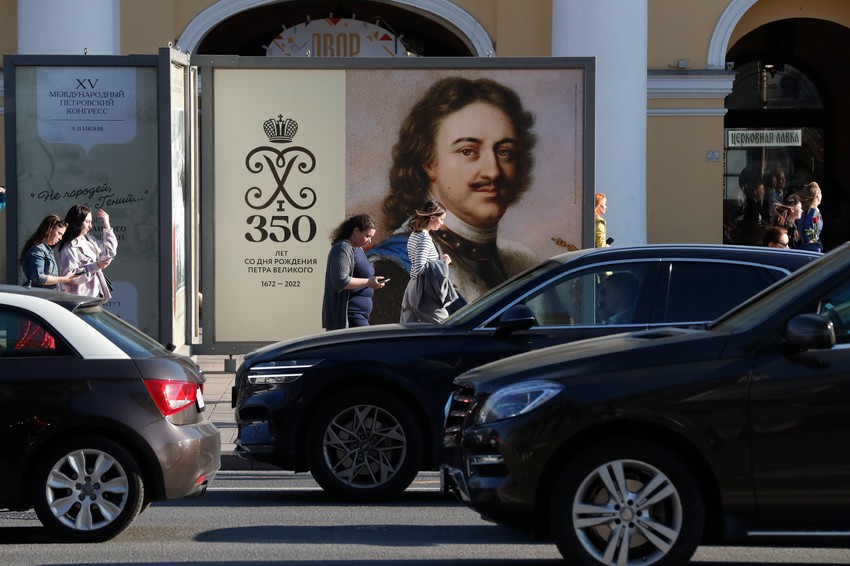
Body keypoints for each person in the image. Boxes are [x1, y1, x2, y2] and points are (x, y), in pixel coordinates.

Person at [367, 76, 538, 323]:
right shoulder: (390, 268)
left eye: (504, 152)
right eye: (468, 151)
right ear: (428, 161)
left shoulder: (520, 261)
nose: (493, 171)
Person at [321, 214, 386, 331]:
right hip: (350, 316)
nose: (369, 240)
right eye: (367, 236)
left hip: (361, 315)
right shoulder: (342, 248)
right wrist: (368, 282)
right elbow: (341, 280)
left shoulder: (358, 249)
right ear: (356, 231)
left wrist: (373, 282)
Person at [400, 200, 458, 323]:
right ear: (432, 217)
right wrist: (443, 263)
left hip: (413, 287)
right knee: (445, 326)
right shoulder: (424, 239)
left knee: (409, 331)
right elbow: (419, 268)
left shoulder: (415, 234)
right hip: (422, 291)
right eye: (441, 219)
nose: (442, 223)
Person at [58, 205, 118, 299]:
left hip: (93, 297)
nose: (90, 226)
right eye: (87, 222)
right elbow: (70, 276)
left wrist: (107, 225)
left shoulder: (88, 239)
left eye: (91, 222)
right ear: (77, 222)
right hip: (76, 300)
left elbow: (108, 253)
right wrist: (97, 265)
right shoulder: (69, 247)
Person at [19, 214, 81, 288]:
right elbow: (38, 278)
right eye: (59, 233)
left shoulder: (47, 250)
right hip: (38, 296)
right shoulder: (38, 250)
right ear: (50, 229)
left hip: (46, 294)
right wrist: (64, 279)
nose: (60, 238)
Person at [796, 181, 823, 252]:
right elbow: (811, 234)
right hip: (812, 248)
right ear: (817, 195)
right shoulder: (813, 212)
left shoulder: (805, 210)